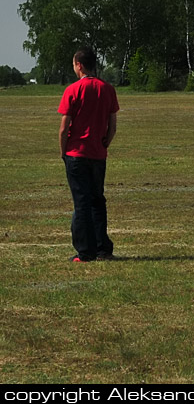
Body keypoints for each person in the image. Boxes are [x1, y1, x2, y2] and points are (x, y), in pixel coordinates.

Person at [59, 48, 119, 262]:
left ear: (79, 65)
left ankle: (85, 252)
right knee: (97, 200)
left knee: (81, 203)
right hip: (98, 154)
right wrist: (105, 143)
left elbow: (64, 127)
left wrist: (63, 151)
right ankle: (103, 248)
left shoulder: (73, 90)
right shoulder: (108, 89)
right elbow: (112, 126)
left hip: (76, 153)